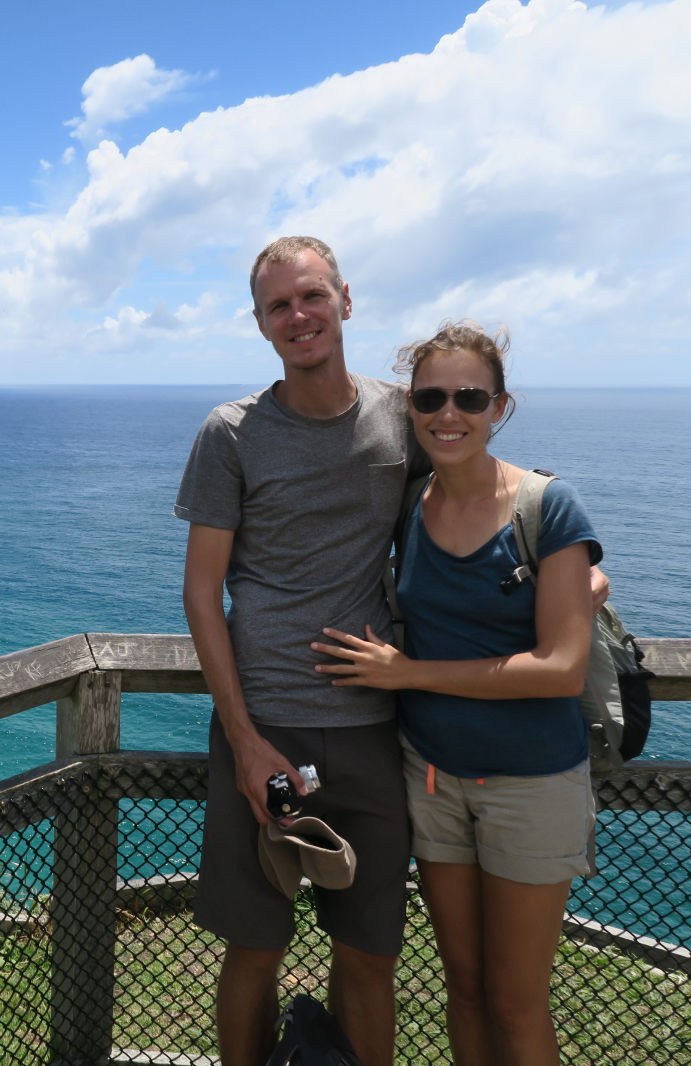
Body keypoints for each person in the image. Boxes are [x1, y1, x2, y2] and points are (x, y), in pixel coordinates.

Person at [312, 322, 599, 1066]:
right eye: (430, 397)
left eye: (469, 397)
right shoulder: (411, 505)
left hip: (532, 784)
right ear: (410, 406)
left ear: (499, 406)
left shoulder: (547, 506)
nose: (449, 413)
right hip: (434, 777)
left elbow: (562, 669)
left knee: (516, 1002)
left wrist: (407, 674)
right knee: (464, 990)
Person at [175, 236, 422, 1066]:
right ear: (260, 324)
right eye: (278, 305)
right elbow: (201, 592)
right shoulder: (232, 433)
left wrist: (570, 560)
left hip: (371, 729)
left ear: (346, 300)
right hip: (268, 729)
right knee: (255, 946)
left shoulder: (402, 417)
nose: (299, 315)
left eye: (312, 295)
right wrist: (246, 742)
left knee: (370, 953)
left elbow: (479, 490)